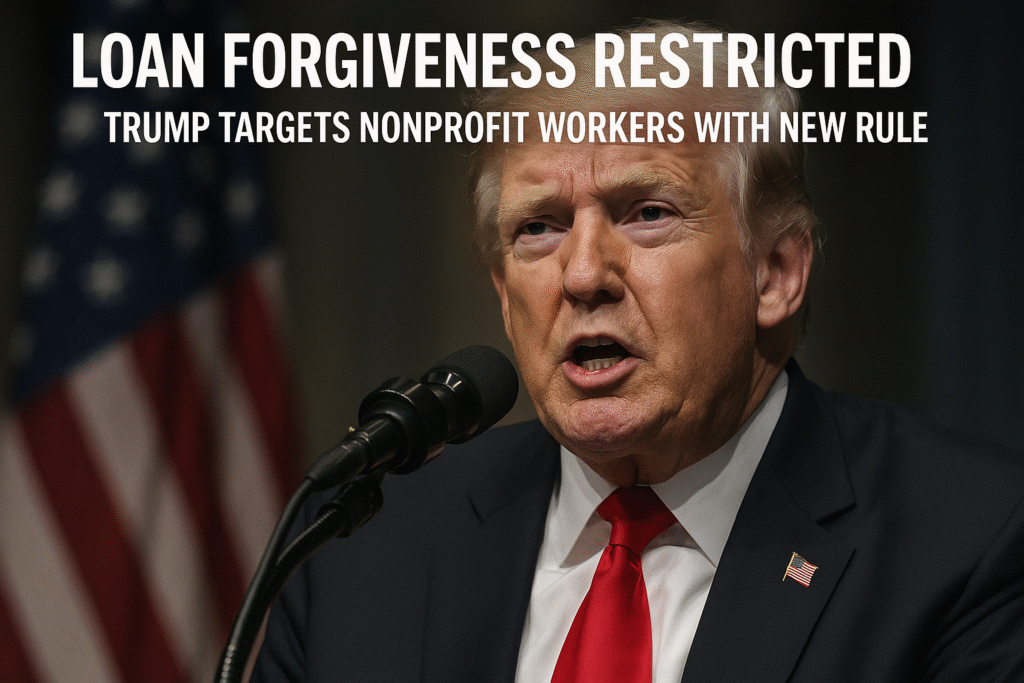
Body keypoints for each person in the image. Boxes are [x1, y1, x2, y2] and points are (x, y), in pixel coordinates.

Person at [251, 20, 1024, 683]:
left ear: (777, 271)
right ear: (502, 291)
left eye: (647, 212)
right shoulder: (358, 545)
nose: (583, 273)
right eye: (538, 228)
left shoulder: (970, 541)